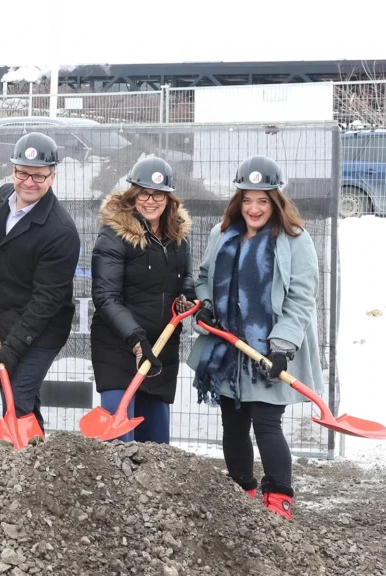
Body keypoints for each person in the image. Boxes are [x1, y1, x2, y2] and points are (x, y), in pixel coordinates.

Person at [188, 155, 321, 520]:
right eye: (247, 199)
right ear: (238, 201)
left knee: (265, 423)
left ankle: (278, 499)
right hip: (229, 349)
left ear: (275, 201)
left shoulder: (294, 240)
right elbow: (203, 277)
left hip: (268, 350)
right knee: (233, 424)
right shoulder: (222, 234)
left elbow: (301, 296)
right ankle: (241, 491)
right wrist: (207, 305)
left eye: (262, 200)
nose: (254, 207)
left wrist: (282, 344)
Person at [0, 132, 81, 432]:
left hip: (42, 330)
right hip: (5, 318)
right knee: (14, 396)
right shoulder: (4, 196)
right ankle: (34, 457)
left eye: (38, 176)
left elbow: (46, 302)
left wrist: (13, 349)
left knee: (18, 397)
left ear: (52, 176)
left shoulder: (60, 232)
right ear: (13, 169)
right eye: (22, 173)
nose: (28, 182)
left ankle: (23, 463)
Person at [89, 157, 196, 444]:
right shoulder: (114, 234)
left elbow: (185, 274)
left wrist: (187, 294)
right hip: (119, 346)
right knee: (118, 441)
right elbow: (105, 295)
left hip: (161, 346)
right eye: (144, 193)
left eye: (158, 194)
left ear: (169, 197)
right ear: (132, 194)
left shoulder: (177, 234)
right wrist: (136, 340)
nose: (151, 201)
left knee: (156, 446)